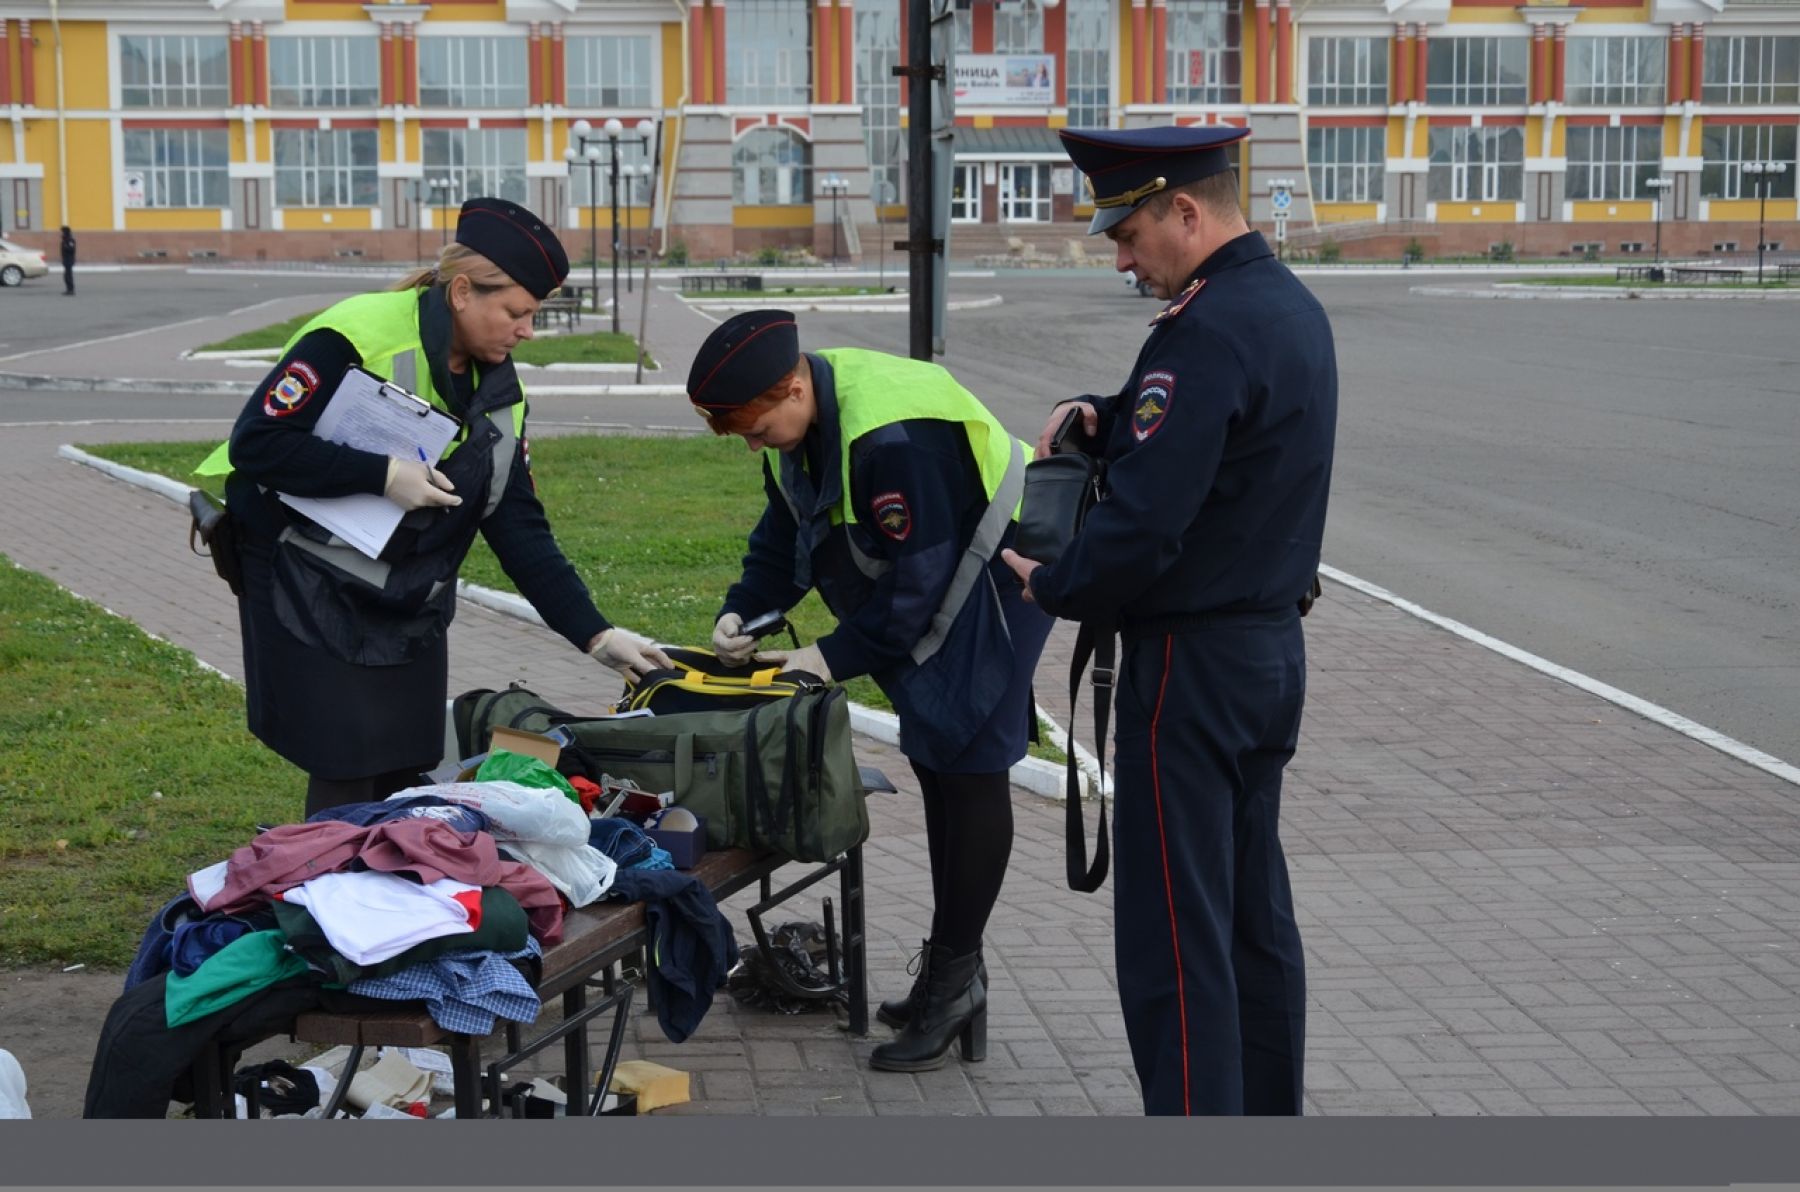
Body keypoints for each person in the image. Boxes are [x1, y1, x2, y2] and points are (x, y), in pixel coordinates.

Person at [1001, 126, 1338, 1115]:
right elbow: (1224, 440)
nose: (1120, 256)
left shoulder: (1203, 330)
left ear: (1186, 213)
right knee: (1248, 917)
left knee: (1176, 936)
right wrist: (1114, 411)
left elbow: (1145, 526)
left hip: (1188, 669)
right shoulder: (1287, 306)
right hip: (1267, 651)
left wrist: (1049, 580)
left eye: (1129, 230)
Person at [195, 197, 671, 818]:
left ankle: (391, 885)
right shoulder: (356, 334)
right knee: (346, 757)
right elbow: (257, 444)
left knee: (405, 757)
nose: (527, 330)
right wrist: (382, 474)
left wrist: (597, 634)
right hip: (298, 571)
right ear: (463, 292)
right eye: (517, 313)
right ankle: (330, 888)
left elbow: (515, 522)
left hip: (404, 592)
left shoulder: (501, 392)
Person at [687, 310, 1052, 1073]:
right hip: (941, 567)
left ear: (790, 387)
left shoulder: (893, 436)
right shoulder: (803, 411)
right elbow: (785, 530)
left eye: (756, 429)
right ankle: (958, 974)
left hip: (999, 573)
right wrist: (744, 608)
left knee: (972, 767)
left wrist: (826, 657)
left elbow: (921, 584)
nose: (754, 445)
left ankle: (954, 986)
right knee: (936, 758)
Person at [59, 225, 76, 296]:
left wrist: (66, 246)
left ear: (66, 232)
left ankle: (71, 290)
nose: (61, 233)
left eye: (63, 232)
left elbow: (71, 249)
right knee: (66, 276)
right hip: (66, 260)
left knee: (68, 275)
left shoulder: (70, 240)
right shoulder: (65, 240)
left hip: (69, 259)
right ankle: (68, 289)